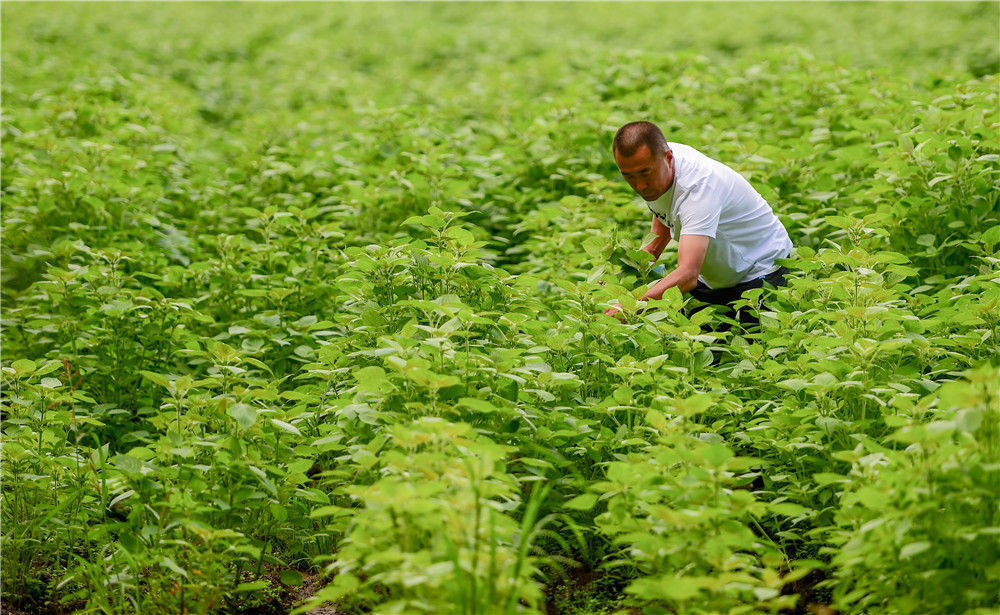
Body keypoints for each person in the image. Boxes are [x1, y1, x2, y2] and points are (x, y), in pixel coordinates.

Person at [605, 121, 792, 328]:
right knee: (699, 347)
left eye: (644, 174)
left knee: (754, 348)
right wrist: (624, 279)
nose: (639, 185)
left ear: (668, 158)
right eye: (628, 176)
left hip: (761, 267)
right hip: (713, 274)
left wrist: (630, 307)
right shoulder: (653, 164)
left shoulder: (698, 189)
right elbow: (662, 218)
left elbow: (687, 275)